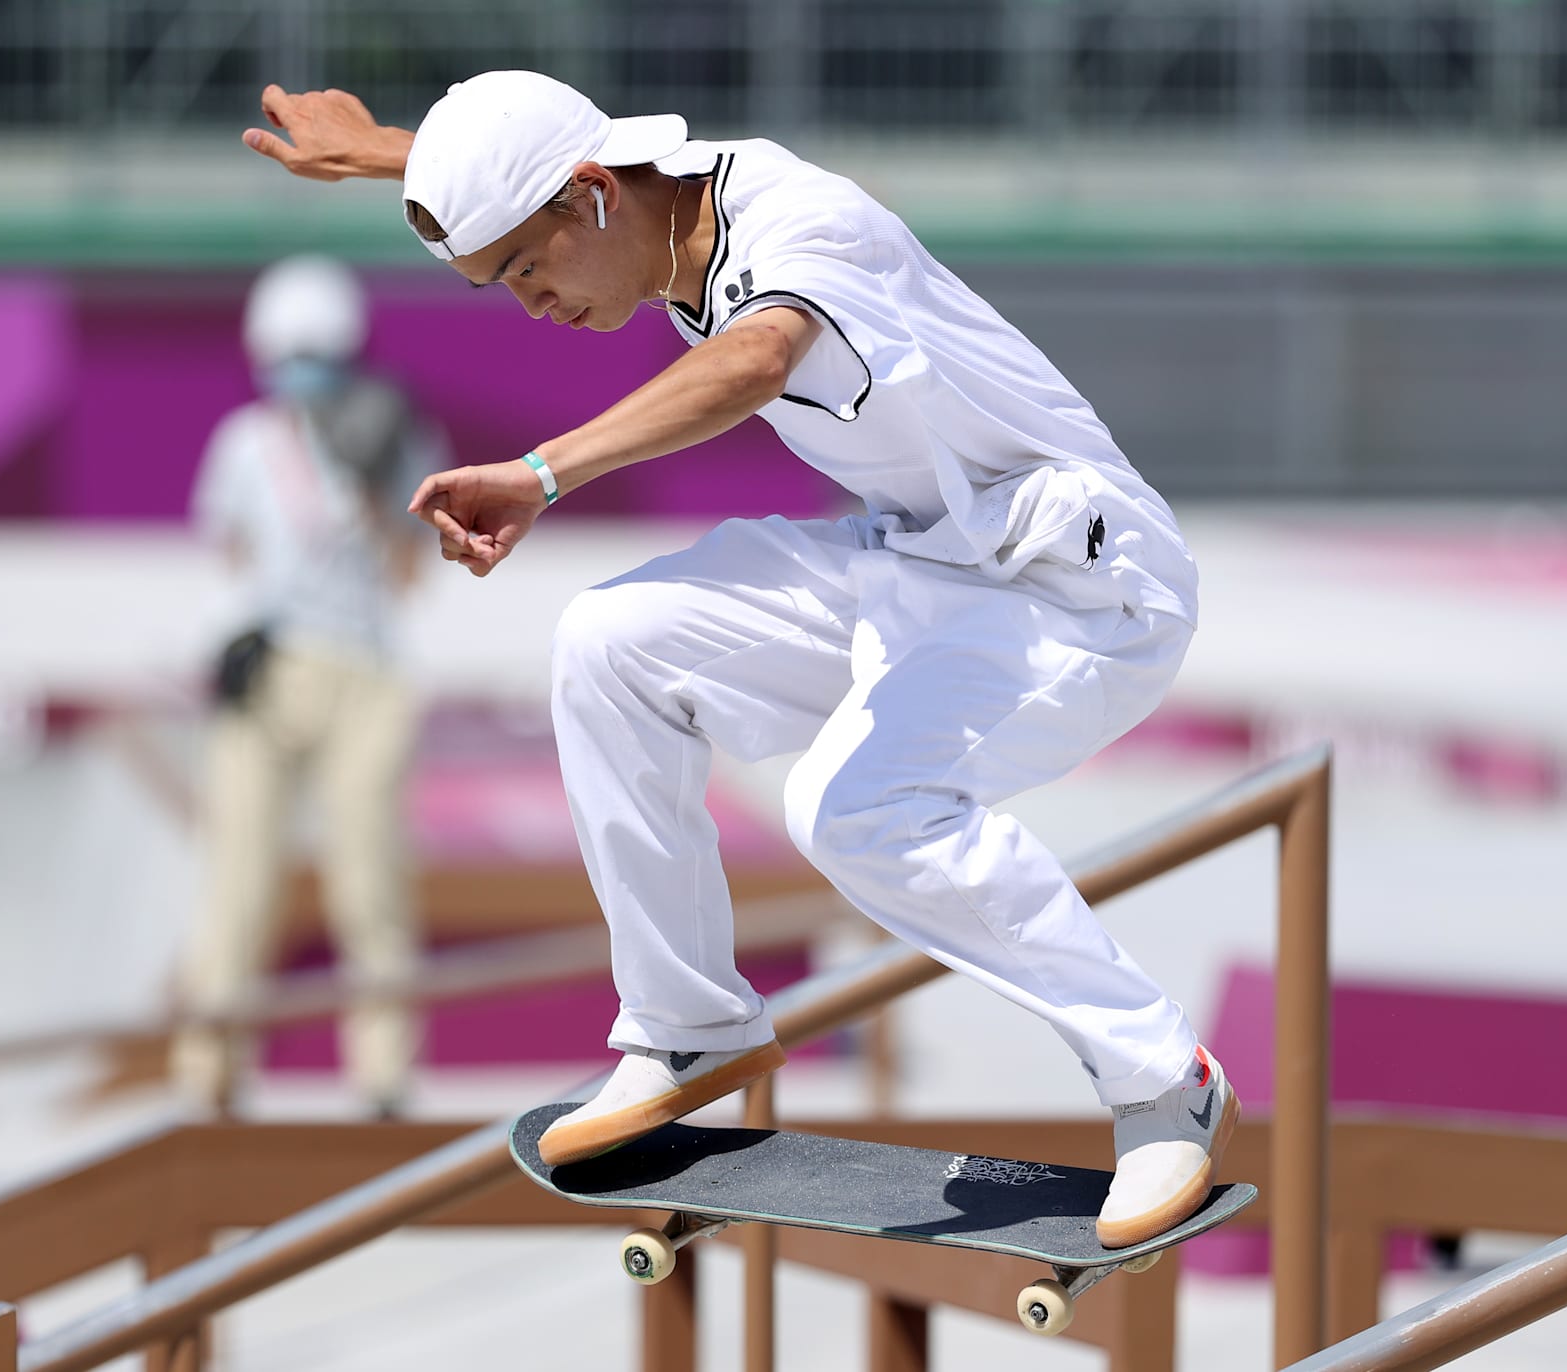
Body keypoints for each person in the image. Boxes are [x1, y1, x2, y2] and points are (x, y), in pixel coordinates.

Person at [243, 72, 1230, 1245]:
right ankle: (686, 1023)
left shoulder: (804, 221)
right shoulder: (640, 198)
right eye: (501, 282)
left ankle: (1161, 1078)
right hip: (920, 567)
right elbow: (534, 161)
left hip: (1082, 588)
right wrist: (381, 156)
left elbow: (755, 360)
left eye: (524, 271)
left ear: (594, 199)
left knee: (854, 804)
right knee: (607, 644)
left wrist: (543, 472)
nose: (532, 305)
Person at [172, 254, 442, 1119]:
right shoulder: (245, 443)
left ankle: (382, 1078)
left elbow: (410, 577)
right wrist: (229, 635)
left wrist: (371, 491)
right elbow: (227, 559)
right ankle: (208, 1077)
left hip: (367, 674)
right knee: (238, 882)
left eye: (313, 348)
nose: (299, 366)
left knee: (370, 885)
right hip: (269, 674)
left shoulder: (402, 435)